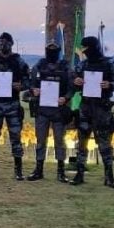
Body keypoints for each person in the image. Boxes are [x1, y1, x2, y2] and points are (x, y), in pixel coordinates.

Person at [72, 36, 114, 186]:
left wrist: (110, 84)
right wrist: (76, 82)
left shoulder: (109, 64)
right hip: (86, 107)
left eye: (86, 48)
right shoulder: (83, 65)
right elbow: (73, 81)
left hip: (102, 108)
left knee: (104, 143)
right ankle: (79, 174)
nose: (84, 51)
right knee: (82, 143)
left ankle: (109, 176)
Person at [0, 32, 30, 180]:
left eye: (6, 43)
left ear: (11, 44)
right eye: (1, 42)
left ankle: (18, 171)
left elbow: (28, 81)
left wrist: (20, 86)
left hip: (12, 104)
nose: (3, 45)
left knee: (15, 137)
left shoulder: (19, 62)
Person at [27, 41, 74, 182]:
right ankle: (38, 170)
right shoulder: (38, 66)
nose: (51, 53)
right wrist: (33, 90)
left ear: (58, 51)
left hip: (59, 111)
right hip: (42, 110)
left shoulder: (66, 67)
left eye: (54, 50)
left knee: (60, 142)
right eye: (49, 50)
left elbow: (72, 88)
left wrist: (65, 98)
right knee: (41, 141)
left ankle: (61, 172)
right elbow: (30, 84)